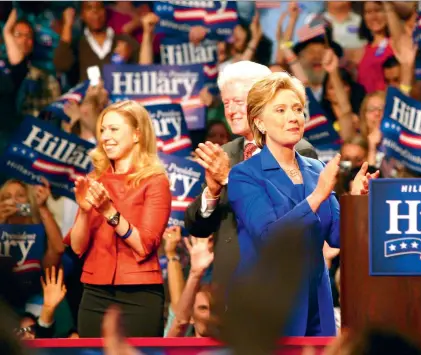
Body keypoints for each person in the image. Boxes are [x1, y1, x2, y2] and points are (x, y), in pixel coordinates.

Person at [228, 72, 377, 336]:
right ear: (259, 122)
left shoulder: (316, 169)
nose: (293, 117)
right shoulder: (244, 175)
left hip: (316, 301)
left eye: (298, 109)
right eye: (281, 110)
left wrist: (356, 201)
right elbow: (269, 237)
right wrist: (318, 196)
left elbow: (338, 237)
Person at [184, 61, 317, 318]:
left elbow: (289, 218)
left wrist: (229, 180)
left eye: (238, 101)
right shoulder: (225, 153)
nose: (231, 111)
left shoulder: (297, 150)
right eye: (226, 103)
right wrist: (211, 192)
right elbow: (197, 226)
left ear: (260, 102)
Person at [64, 100, 171, 337]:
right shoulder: (94, 179)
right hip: (94, 294)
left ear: (136, 134)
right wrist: (83, 210)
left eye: (113, 129)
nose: (105, 137)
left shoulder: (155, 181)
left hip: (139, 295)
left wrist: (109, 212)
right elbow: (78, 247)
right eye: (102, 130)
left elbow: (144, 246)